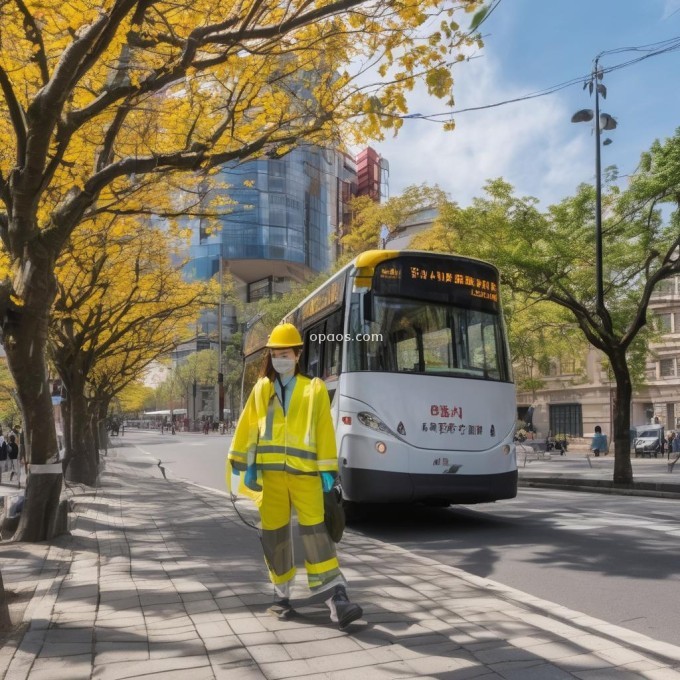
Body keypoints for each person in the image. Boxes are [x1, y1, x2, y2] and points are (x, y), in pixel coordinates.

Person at [227, 323, 363, 629]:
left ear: (297, 354)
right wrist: (242, 462)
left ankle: (336, 599)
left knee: (317, 535)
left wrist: (328, 470)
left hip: (306, 476)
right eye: (275, 354)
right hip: (271, 477)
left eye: (284, 353)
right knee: (274, 537)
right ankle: (281, 596)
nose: (279, 359)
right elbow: (250, 425)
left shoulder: (313, 388)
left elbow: (323, 430)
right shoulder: (262, 388)